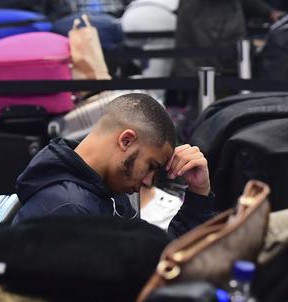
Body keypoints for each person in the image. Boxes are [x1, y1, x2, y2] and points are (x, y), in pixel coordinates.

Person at [12, 93, 215, 238]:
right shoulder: (70, 210)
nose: (147, 181)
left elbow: (149, 263)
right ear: (126, 140)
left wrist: (198, 194)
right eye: (150, 166)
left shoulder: (103, 190)